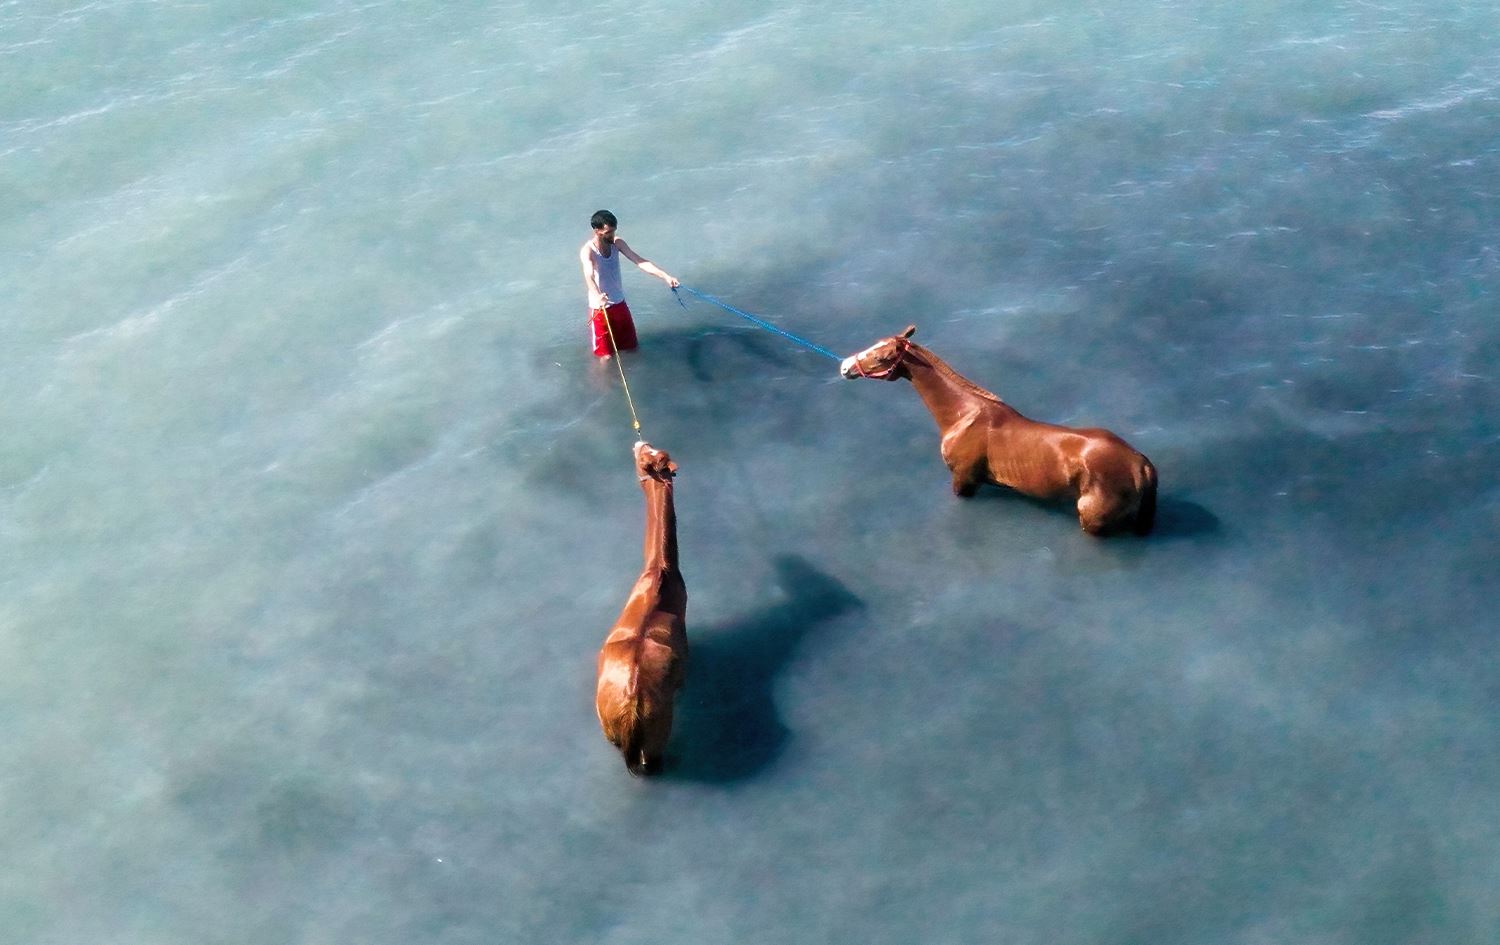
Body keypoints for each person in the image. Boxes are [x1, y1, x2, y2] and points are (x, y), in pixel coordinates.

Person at [579, 210, 679, 359]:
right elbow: (588, 275)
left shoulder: (617, 243)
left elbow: (640, 261)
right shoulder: (588, 251)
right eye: (608, 232)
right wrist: (597, 295)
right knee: (606, 357)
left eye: (613, 231)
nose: (612, 235)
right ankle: (602, 381)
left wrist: (665, 276)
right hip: (600, 310)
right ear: (597, 230)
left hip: (619, 304)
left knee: (631, 348)